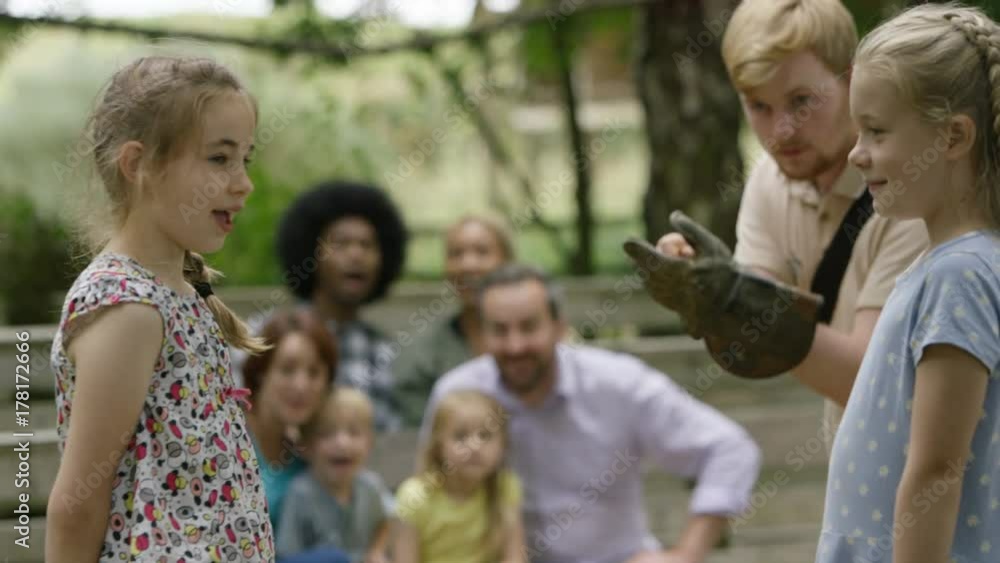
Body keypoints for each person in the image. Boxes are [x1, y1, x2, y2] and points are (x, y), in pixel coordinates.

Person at [655, 0, 928, 445]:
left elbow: (874, 384)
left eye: (802, 101)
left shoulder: (910, 188)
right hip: (859, 465)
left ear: (853, 80)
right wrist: (704, 288)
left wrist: (736, 302)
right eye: (758, 105)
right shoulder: (770, 179)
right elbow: (752, 338)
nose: (781, 130)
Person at [45, 56, 273, 561]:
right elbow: (77, 504)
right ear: (137, 165)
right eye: (219, 158)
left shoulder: (181, 294)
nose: (243, 183)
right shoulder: (127, 306)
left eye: (245, 159)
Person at [816, 4, 1000, 562]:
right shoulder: (946, 265)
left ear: (953, 136)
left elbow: (938, 469)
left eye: (876, 131)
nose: (856, 153)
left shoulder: (959, 277)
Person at [421, 264, 762, 563]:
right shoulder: (458, 395)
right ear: (482, 335)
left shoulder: (619, 384)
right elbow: (429, 489)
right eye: (500, 330)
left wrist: (686, 554)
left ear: (558, 326)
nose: (515, 345)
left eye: (529, 327)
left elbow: (731, 449)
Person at [273, 180, 409, 432]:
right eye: (341, 244)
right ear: (311, 252)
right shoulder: (269, 338)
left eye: (367, 245)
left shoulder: (385, 352)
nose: (356, 255)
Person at [393, 215, 515, 427]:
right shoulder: (424, 355)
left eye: (482, 252)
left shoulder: (535, 342)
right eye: (456, 254)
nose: (467, 265)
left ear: (507, 262)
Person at [395, 389, 525, 563]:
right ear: (438, 446)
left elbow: (514, 556)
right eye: (460, 436)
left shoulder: (505, 486)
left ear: (503, 444)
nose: (474, 447)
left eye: (485, 435)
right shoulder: (415, 496)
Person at [242, 308, 337, 536]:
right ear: (261, 373)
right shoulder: (228, 438)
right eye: (287, 370)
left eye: (314, 373)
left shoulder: (307, 459)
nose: (301, 386)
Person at [277, 388, 394, 563]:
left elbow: (388, 521)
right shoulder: (301, 492)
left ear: (369, 442)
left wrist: (376, 550)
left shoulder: (371, 487)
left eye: (354, 432)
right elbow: (286, 555)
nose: (342, 443)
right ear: (306, 446)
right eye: (326, 434)